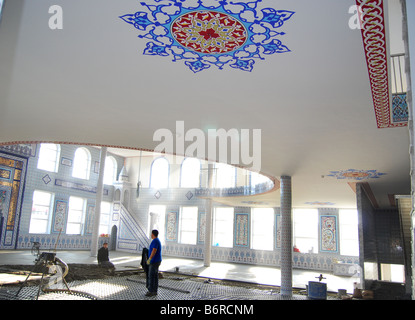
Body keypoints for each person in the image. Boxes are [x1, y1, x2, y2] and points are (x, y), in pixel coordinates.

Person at [146, 229, 162, 296]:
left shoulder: (155, 241)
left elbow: (154, 250)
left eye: (151, 234)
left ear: (152, 234)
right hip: (157, 261)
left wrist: (150, 258)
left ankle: (151, 291)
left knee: (151, 276)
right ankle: (154, 291)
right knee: (155, 276)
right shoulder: (157, 240)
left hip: (154, 261)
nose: (151, 235)